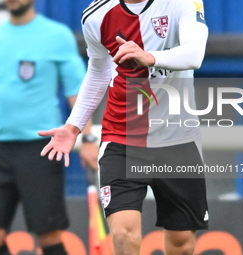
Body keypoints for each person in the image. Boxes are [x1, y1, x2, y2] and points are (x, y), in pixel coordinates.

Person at [39, 0, 209, 254]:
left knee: (182, 243)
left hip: (178, 137)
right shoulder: (95, 15)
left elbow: (195, 53)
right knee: (123, 234)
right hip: (122, 136)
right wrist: (73, 127)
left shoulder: (183, 2)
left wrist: (149, 57)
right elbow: (98, 72)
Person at [0, 1, 99, 255]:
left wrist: (87, 138)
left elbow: (77, 91)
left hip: (41, 150)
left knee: (49, 235)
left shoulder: (57, 35)